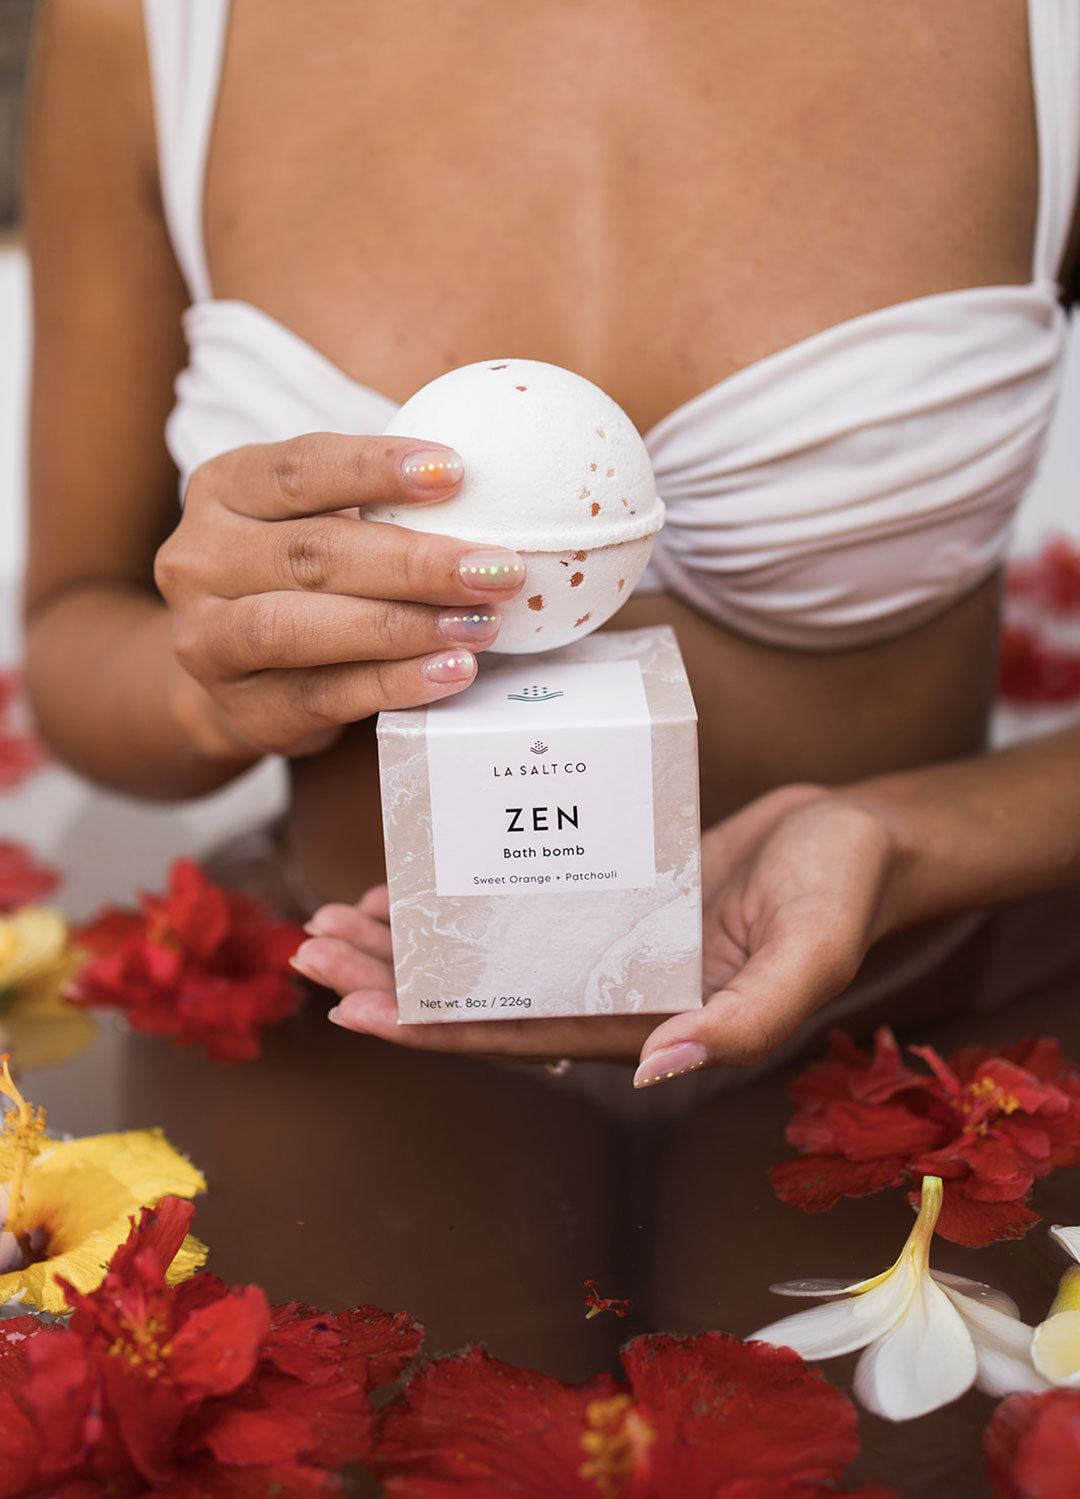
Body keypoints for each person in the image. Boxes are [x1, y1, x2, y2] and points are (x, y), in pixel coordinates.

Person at [21, 0, 1080, 1098]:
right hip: (356, 1004)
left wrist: (905, 842)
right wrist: (218, 682)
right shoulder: (142, 23)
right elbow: (75, 625)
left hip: (916, 1006)